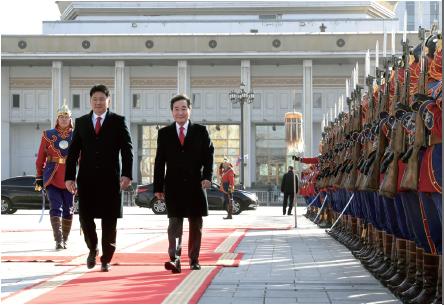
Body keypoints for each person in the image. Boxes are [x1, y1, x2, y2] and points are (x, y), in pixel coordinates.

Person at [65, 84, 133, 272]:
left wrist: (127, 174)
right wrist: (70, 177)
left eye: (102, 99)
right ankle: (92, 248)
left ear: (108, 100)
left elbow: (127, 149)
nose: (98, 102)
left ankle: (106, 258)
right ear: (90, 101)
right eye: (95, 99)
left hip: (111, 180)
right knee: (85, 218)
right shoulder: (81, 122)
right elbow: (73, 153)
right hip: (86, 180)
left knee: (109, 220)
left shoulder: (118, 121)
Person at [154, 94, 214, 274]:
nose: (180, 112)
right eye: (176, 109)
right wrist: (158, 187)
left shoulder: (201, 131)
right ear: (172, 111)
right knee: (175, 226)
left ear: (190, 110)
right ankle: (175, 259)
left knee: (196, 225)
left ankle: (194, 259)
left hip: (195, 186)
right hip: (173, 187)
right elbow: (159, 162)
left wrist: (207, 176)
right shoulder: (164, 133)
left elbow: (208, 157)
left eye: (183, 108)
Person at [35, 104, 74, 250]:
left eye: (66, 117)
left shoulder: (77, 135)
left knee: (69, 209)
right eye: (61, 117)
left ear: (70, 119)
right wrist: (39, 178)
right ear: (57, 119)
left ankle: (65, 239)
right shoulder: (47, 134)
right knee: (55, 207)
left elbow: (83, 159)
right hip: (52, 176)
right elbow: (40, 158)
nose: (64, 120)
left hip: (70, 179)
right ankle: (58, 241)